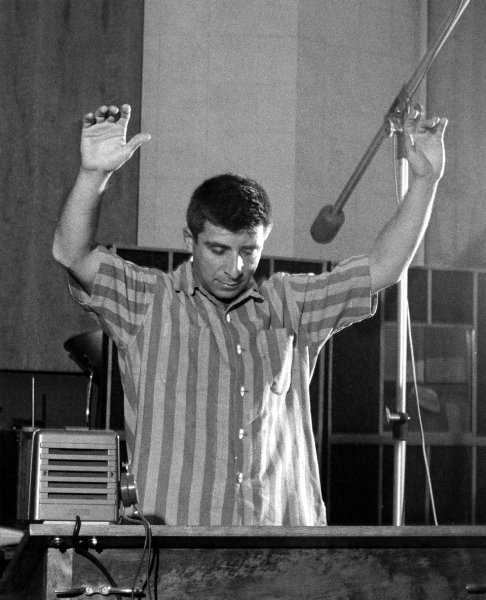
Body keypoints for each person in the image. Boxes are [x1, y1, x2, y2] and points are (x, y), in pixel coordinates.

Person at [53, 103, 447, 526]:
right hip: (175, 547)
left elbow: (383, 268)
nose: (235, 268)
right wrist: (93, 174)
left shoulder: (291, 304)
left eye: (249, 251)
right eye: (218, 250)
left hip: (280, 544)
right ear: (190, 240)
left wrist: (426, 180)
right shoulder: (147, 300)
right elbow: (72, 253)